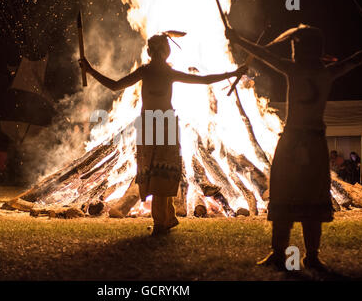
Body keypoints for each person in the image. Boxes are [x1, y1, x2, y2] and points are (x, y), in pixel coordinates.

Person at [225, 24, 362, 271]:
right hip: (313, 142)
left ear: (301, 49)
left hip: (293, 141)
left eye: (294, 46)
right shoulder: (329, 72)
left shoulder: (293, 69)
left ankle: (285, 253)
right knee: (308, 198)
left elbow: (264, 55)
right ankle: (304, 255)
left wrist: (238, 39)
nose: (291, 51)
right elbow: (356, 60)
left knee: (285, 196)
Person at [79, 33, 247, 235]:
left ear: (151, 52)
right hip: (158, 122)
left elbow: (115, 85)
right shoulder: (158, 72)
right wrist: (232, 74)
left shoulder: (153, 71)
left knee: (161, 171)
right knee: (160, 171)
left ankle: (165, 219)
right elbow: (203, 80)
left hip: (156, 122)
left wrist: (90, 70)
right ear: (162, 52)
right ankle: (163, 220)